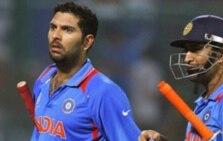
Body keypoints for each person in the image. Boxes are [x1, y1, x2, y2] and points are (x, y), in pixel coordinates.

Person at [30, 1, 140, 141]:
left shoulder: (104, 92)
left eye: (67, 30)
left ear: (87, 42)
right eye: (53, 27)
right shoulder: (44, 79)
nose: (56, 35)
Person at [138, 15, 223, 141]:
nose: (187, 58)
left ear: (222, 53)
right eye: (186, 51)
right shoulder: (203, 104)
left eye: (195, 49)